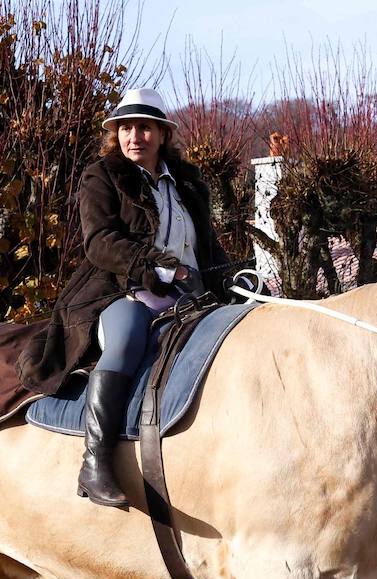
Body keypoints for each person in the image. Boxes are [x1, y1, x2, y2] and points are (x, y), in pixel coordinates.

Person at [17, 88, 230, 508]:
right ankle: (95, 464)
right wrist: (162, 268)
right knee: (129, 335)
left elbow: (207, 249)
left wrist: (239, 281)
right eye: (127, 127)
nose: (136, 136)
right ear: (116, 134)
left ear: (163, 135)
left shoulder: (190, 186)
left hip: (193, 299)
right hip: (118, 293)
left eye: (145, 127)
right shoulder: (101, 176)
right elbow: (100, 242)